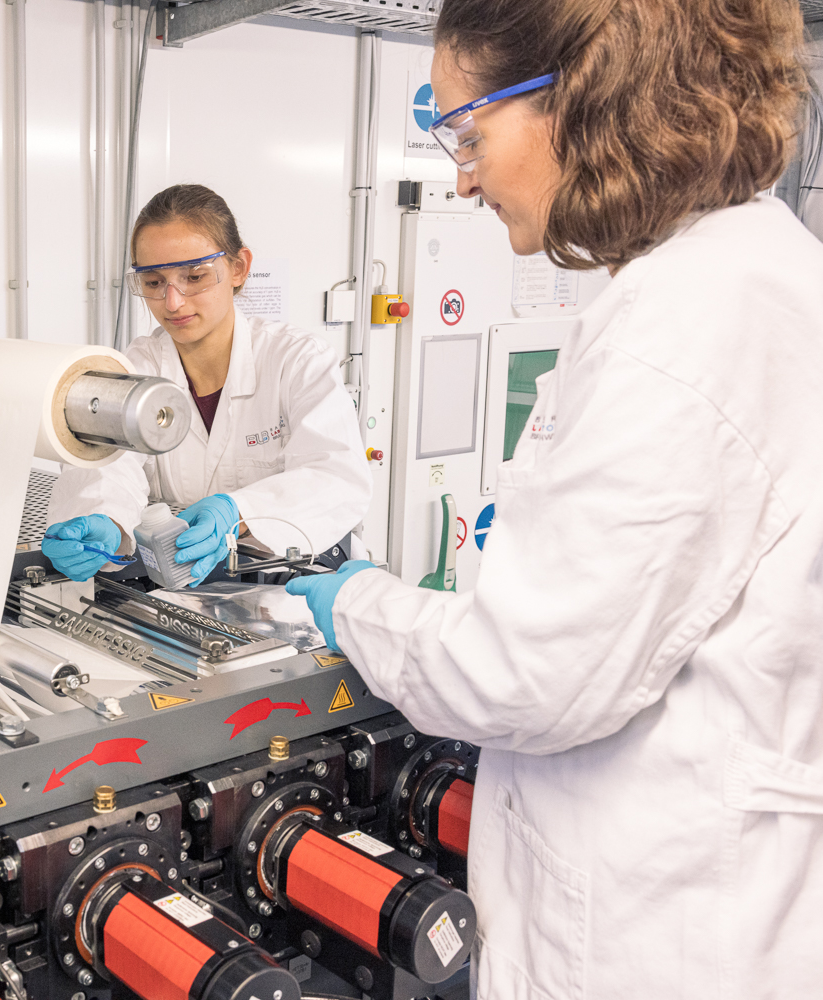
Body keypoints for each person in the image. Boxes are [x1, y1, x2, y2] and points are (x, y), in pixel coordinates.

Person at [285, 1, 822, 996]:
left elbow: (524, 674)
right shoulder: (740, 278)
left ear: (577, 95)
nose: (463, 175)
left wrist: (357, 599)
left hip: (661, 930)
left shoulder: (688, 325)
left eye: (470, 130)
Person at [42, 185, 371, 586]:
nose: (173, 302)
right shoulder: (137, 368)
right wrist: (105, 519)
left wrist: (239, 511)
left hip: (297, 586)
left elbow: (335, 476)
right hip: (179, 590)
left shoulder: (297, 360)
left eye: (194, 277)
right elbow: (108, 468)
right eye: (153, 282)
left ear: (238, 268)